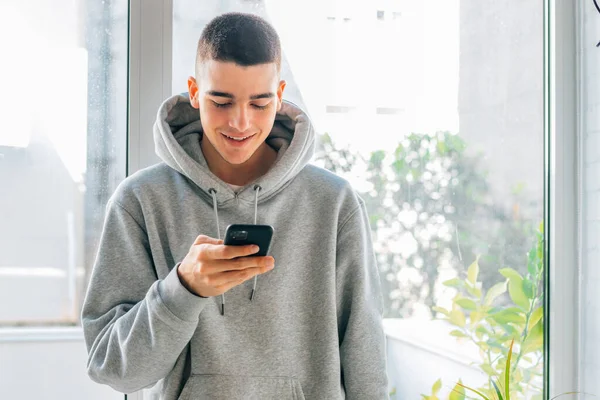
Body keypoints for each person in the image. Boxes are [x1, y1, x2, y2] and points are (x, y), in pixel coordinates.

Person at [81, 12, 389, 400]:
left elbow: (366, 357)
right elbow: (114, 369)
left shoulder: (335, 203)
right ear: (194, 92)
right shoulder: (140, 201)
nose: (240, 122)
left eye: (259, 103)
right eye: (221, 101)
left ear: (279, 95)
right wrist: (183, 289)